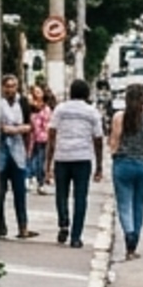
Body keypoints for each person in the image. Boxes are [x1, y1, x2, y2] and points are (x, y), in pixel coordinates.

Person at [106, 82, 143, 259]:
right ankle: (134, 243)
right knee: (139, 204)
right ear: (142, 100)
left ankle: (129, 235)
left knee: (124, 204)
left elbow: (114, 143)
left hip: (123, 164)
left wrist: (113, 155)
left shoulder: (119, 117)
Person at [47, 79, 104, 248]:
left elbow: (52, 134)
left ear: (70, 93)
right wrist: (99, 165)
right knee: (80, 198)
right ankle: (76, 237)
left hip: (62, 157)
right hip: (82, 158)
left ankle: (64, 223)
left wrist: (48, 162)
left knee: (61, 194)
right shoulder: (91, 112)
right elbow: (98, 139)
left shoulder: (60, 109)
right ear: (87, 94)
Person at [0, 74, 36, 240]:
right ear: (2, 87)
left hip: (18, 151)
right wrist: (16, 129)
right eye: (7, 86)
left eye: (13, 86)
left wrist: (14, 130)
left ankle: (23, 226)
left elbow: (29, 126)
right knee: (0, 192)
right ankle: (0, 226)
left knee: (20, 191)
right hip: (1, 151)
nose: (10, 90)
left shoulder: (23, 102)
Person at [26, 83, 54, 191]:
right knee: (30, 158)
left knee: (40, 160)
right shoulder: (29, 107)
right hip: (31, 137)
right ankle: (29, 178)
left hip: (42, 138)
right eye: (35, 92)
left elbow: (47, 124)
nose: (36, 94)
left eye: (39, 92)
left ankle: (40, 182)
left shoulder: (46, 108)